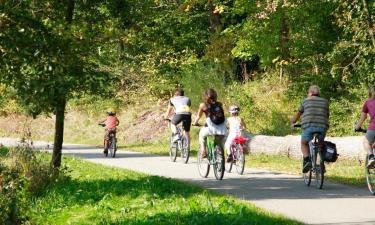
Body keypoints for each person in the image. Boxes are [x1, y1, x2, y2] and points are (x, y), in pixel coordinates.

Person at [290, 85, 329, 173]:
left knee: (304, 143)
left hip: (308, 126)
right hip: (322, 126)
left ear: (310, 93)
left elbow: (298, 114)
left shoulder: (305, 101)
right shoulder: (325, 102)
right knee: (321, 144)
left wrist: (293, 122)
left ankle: (307, 160)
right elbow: (327, 115)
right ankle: (322, 164)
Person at [192, 88, 227, 158]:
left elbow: (198, 116)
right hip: (221, 129)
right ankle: (220, 154)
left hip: (209, 129)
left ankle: (203, 150)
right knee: (219, 142)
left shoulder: (203, 105)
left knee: (201, 135)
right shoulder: (220, 104)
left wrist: (194, 123)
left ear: (205, 97)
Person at [354, 86, 375, 167]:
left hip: (373, 128)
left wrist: (357, 127)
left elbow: (363, 118)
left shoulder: (368, 103)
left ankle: (371, 157)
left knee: (366, 142)